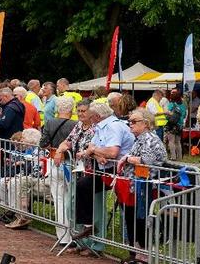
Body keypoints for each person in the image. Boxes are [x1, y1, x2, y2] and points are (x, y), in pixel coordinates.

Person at [72, 101, 134, 257]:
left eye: (91, 116)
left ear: (97, 116)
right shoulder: (101, 126)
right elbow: (90, 150)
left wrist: (95, 151)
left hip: (123, 172)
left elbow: (112, 152)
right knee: (83, 186)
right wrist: (97, 153)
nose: (89, 119)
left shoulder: (113, 126)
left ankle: (134, 251)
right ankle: (88, 225)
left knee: (128, 210)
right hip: (105, 170)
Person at [118, 109, 167, 262]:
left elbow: (147, 160)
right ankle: (136, 253)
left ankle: (143, 255)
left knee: (140, 221)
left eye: (134, 121)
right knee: (132, 220)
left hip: (144, 187)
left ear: (145, 124)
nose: (130, 124)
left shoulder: (150, 138)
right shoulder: (139, 138)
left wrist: (127, 158)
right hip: (135, 186)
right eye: (129, 121)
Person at [54, 99, 94, 249]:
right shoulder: (78, 126)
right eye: (79, 111)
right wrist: (59, 150)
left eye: (84, 111)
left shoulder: (96, 128)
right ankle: (78, 240)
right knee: (71, 204)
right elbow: (67, 141)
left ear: (91, 112)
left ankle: (90, 244)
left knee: (90, 207)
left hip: (91, 171)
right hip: (76, 170)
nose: (81, 114)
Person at [41, 96, 77, 245]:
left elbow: (43, 143)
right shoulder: (76, 125)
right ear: (72, 109)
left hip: (55, 162)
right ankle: (74, 233)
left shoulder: (49, 122)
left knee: (59, 200)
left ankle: (63, 235)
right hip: (72, 163)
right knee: (72, 199)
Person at [165, 89, 186, 161]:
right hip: (180, 124)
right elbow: (184, 115)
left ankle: (173, 157)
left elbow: (168, 114)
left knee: (171, 141)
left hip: (171, 124)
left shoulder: (171, 104)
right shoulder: (183, 105)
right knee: (178, 142)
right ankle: (179, 157)